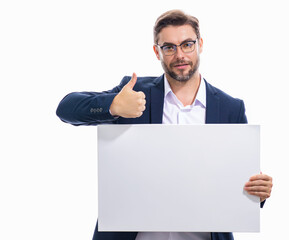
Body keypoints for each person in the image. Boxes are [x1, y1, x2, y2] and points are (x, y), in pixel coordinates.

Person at [56, 9, 273, 240]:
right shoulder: (135, 94)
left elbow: (238, 184)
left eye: (187, 44)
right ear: (156, 52)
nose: (180, 55)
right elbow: (66, 109)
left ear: (200, 44)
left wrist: (257, 194)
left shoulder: (231, 109)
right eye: (169, 47)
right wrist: (113, 105)